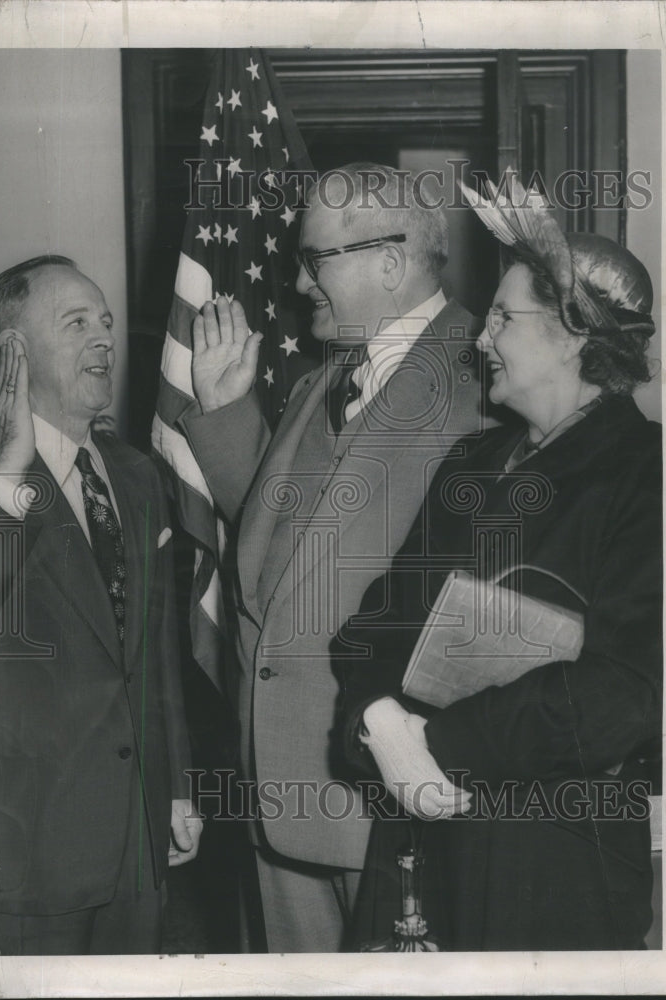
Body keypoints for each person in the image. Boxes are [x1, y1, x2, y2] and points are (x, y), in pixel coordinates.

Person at [335, 177, 662, 951]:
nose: (481, 340)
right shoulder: (473, 462)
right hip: (418, 849)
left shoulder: (650, 476)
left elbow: (624, 692)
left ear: (576, 333)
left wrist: (435, 748)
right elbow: (371, 630)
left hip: (553, 860)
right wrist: (380, 724)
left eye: (504, 318)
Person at [178, 163, 486, 952]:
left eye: (316, 259)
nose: (297, 279)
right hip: (282, 788)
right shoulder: (327, 378)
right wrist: (225, 411)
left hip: (381, 795)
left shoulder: (484, 382)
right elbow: (288, 552)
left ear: (390, 262)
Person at [0, 255, 201, 955]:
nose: (104, 339)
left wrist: (175, 784)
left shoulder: (135, 473)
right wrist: (8, 475)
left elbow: (154, 655)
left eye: (107, 322)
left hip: (135, 843)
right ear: (14, 353)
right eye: (77, 322)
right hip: (18, 857)